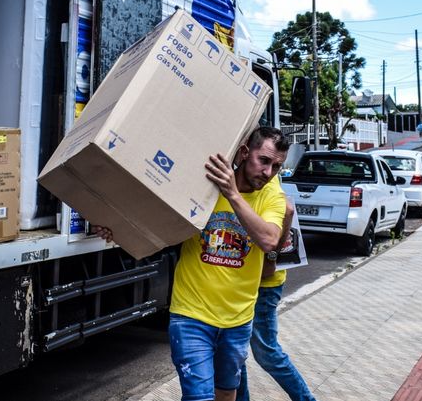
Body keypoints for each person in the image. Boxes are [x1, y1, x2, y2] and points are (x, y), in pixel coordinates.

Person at [95, 126, 289, 401]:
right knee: (199, 397)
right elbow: (155, 220)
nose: (268, 172)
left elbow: (269, 239)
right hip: (191, 316)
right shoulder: (204, 186)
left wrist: (232, 194)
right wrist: (115, 228)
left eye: (277, 167)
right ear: (245, 152)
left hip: (238, 320)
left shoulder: (271, 197)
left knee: (226, 394)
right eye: (264, 161)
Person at [236, 200, 318, 401]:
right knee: (235, 352)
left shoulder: (265, 183)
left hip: (264, 284)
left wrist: (272, 257)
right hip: (243, 280)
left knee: (266, 352)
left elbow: (288, 210)